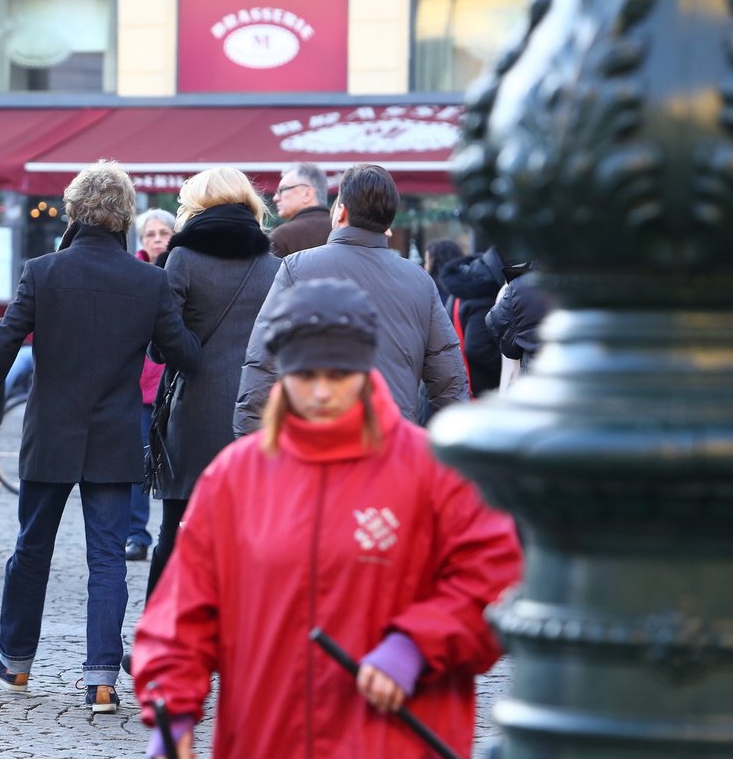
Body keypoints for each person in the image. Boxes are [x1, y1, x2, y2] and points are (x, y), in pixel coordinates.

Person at [134, 278, 523, 759]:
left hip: (392, 740)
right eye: (304, 375)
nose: (320, 392)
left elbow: (495, 578)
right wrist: (171, 712)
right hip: (268, 738)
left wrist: (416, 645)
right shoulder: (235, 478)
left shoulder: (432, 471)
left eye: (337, 376)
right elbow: (183, 609)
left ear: (364, 369)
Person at [0, 161, 200, 714]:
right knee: (107, 556)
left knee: (32, 549)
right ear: (125, 216)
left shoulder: (43, 271)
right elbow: (183, 355)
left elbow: (2, 347)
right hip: (116, 435)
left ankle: (14, 661)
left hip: (52, 432)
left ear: (73, 211)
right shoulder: (149, 279)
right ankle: (102, 678)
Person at [235, 163, 468, 433]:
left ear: (341, 211)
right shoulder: (420, 281)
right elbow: (449, 382)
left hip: (316, 441)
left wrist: (251, 438)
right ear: (388, 224)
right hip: (391, 442)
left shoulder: (297, 268)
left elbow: (263, 363)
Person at [142, 169, 279, 601]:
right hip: (259, 409)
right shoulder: (273, 263)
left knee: (178, 526)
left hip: (196, 406)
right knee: (249, 528)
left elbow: (162, 345)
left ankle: (159, 637)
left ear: (196, 205)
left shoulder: (182, 259)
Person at [125, 208, 176, 562]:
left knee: (179, 461)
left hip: (175, 382)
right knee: (139, 462)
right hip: (142, 384)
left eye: (163, 233)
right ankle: (136, 534)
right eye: (150, 234)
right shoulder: (132, 272)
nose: (157, 239)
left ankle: (177, 531)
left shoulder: (184, 267)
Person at [438, 245, 508, 397]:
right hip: (477, 392)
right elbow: (478, 348)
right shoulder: (486, 291)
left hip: (448, 388)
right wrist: (511, 360)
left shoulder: (471, 275)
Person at [267, 162, 332, 257]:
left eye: (282, 190)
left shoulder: (281, 237)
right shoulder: (343, 230)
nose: (275, 198)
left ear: (307, 193)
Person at [423, 237, 464, 305]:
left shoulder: (431, 291)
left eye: (426, 262)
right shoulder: (464, 286)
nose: (425, 267)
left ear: (435, 263)